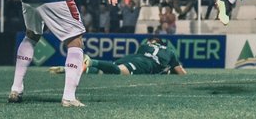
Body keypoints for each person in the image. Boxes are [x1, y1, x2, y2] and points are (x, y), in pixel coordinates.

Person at [49, 38, 186, 76]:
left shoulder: (144, 46)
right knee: (120, 71)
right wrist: (170, 69)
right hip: (145, 63)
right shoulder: (169, 52)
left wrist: (165, 71)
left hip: (131, 57)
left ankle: (70, 69)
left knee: (109, 71)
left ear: (151, 42)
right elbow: (182, 74)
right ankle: (91, 61)